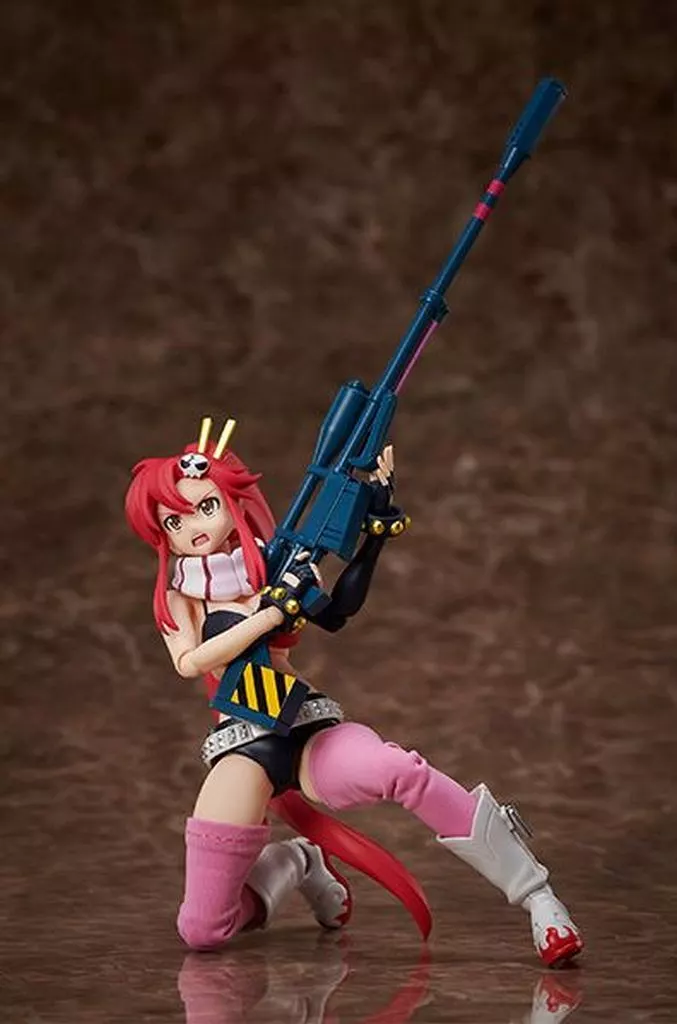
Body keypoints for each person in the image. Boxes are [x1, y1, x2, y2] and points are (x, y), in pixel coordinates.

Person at [125, 417, 583, 967]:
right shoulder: (182, 596)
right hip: (243, 741)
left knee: (399, 769)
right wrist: (270, 612)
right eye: (174, 520)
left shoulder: (271, 563)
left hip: (303, 724)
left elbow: (338, 612)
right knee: (202, 930)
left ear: (231, 501)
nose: (194, 526)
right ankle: (297, 862)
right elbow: (191, 662)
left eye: (206, 506)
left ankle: (539, 898)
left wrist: (373, 538)